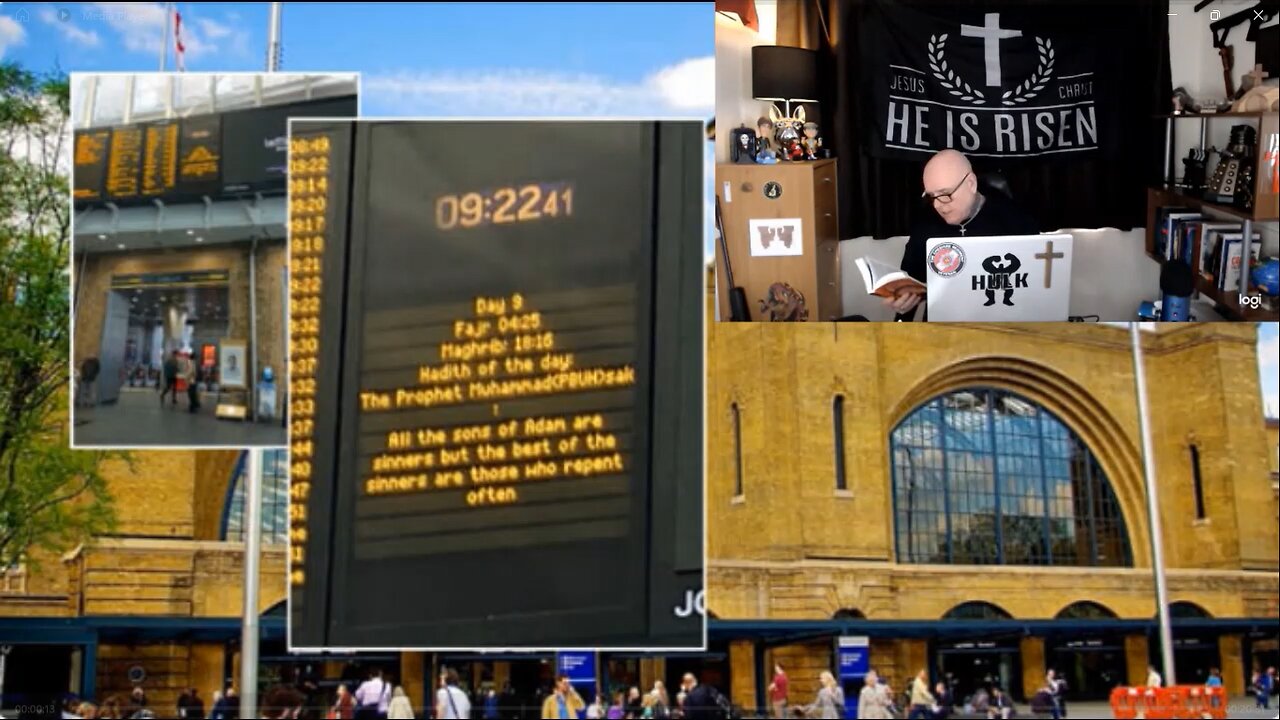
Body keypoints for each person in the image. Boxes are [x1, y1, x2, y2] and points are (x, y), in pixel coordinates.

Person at [888, 149, 1039, 319]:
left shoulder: (1016, 221)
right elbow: (913, 280)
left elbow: (1034, 287)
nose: (938, 205)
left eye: (945, 194)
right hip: (942, 326)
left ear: (971, 184)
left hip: (1002, 323)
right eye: (931, 196)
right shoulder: (925, 222)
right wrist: (904, 301)